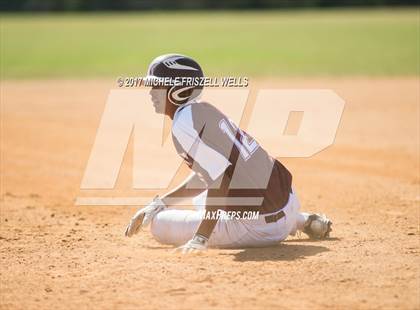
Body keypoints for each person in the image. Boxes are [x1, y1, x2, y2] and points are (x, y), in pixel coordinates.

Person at [125, 54, 332, 254]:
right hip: (288, 202)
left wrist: (201, 237)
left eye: (158, 86)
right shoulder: (202, 111)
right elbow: (208, 175)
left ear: (178, 89)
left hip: (258, 230)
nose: (151, 92)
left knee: (158, 224)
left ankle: (291, 222)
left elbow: (218, 177)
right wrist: (160, 202)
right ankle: (299, 220)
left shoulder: (183, 124)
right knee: (202, 199)